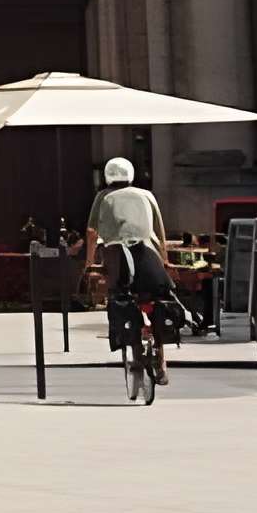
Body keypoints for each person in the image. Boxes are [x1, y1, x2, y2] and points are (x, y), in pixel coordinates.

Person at [82, 158, 171, 377]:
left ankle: (134, 345)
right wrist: (165, 261)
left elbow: (92, 232)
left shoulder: (102, 197)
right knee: (156, 297)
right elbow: (159, 233)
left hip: (117, 255)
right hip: (148, 253)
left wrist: (89, 262)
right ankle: (160, 354)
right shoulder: (147, 195)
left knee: (119, 296)